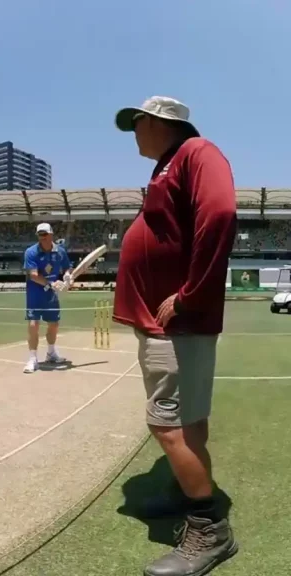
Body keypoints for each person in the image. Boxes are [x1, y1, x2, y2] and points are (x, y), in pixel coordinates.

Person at [113, 96, 238, 576]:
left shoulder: (196, 152)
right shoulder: (169, 165)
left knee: (166, 426)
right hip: (171, 322)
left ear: (160, 122)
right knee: (188, 422)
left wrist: (189, 293)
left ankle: (210, 530)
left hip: (178, 321)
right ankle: (189, 493)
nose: (134, 133)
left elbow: (221, 214)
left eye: (137, 123)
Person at [22, 223, 71, 373]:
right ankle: (32, 358)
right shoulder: (31, 252)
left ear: (51, 234)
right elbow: (34, 275)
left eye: (45, 234)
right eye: (40, 235)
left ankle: (51, 353)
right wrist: (51, 283)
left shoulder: (60, 252)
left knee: (54, 324)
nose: (42, 237)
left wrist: (68, 277)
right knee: (33, 325)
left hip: (51, 295)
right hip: (35, 293)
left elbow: (67, 267)